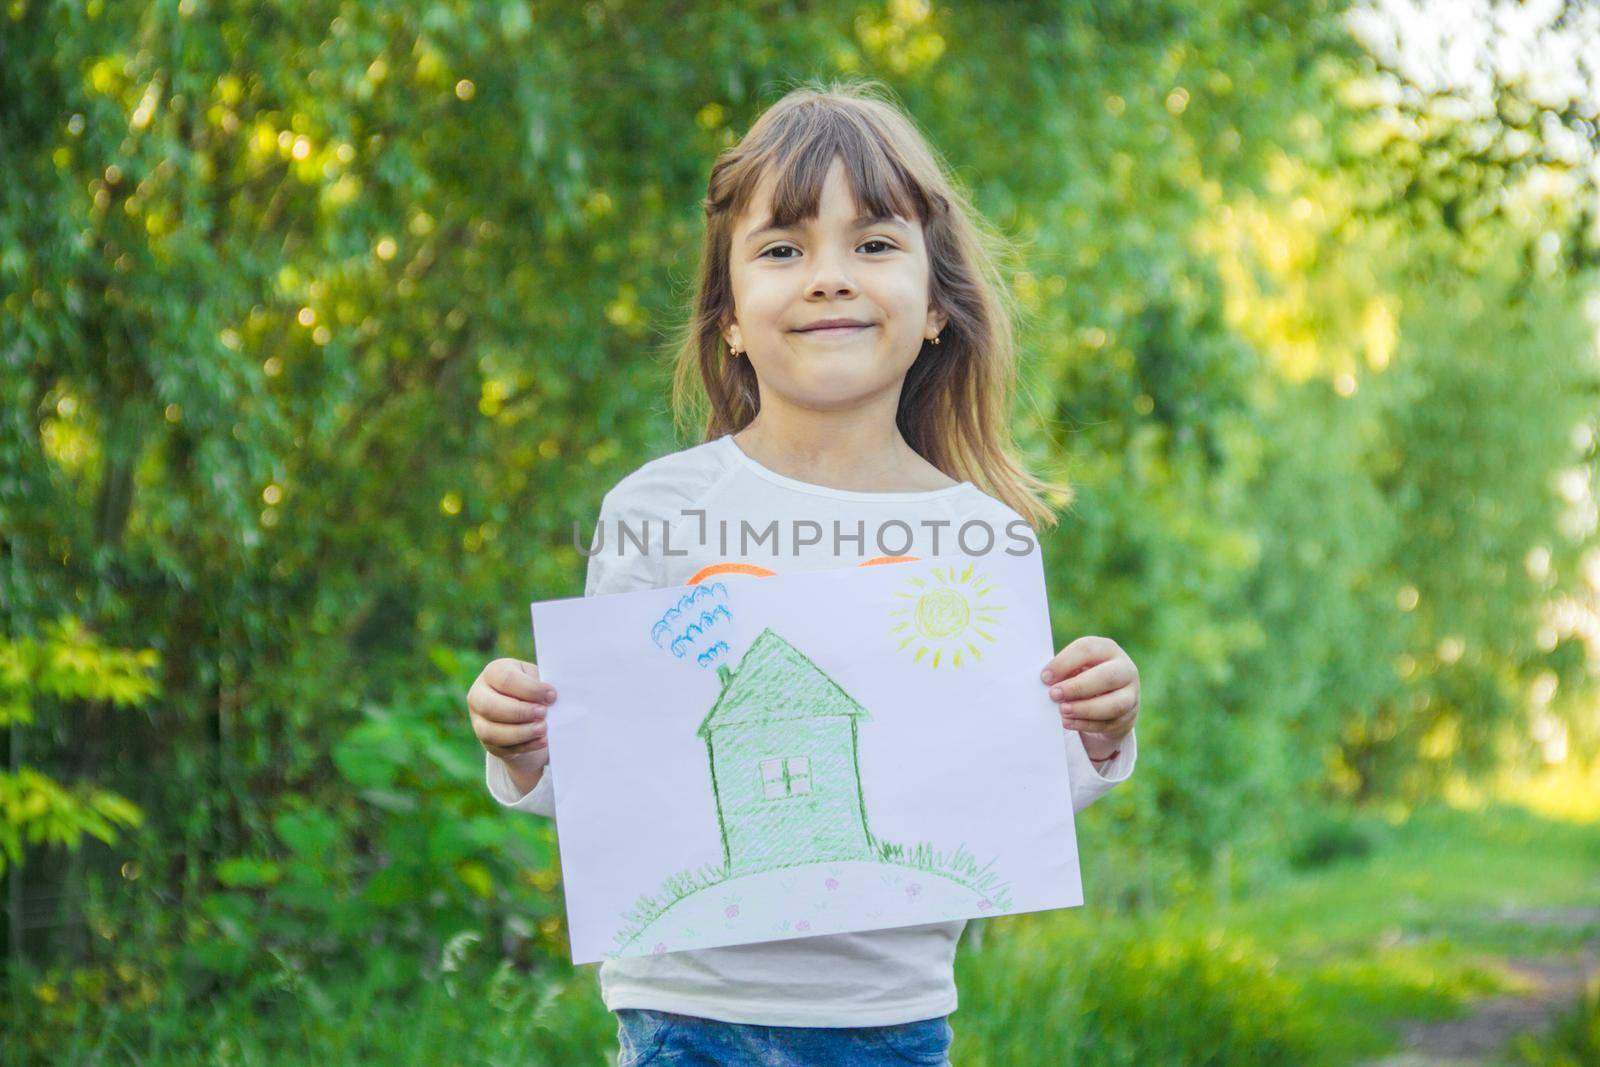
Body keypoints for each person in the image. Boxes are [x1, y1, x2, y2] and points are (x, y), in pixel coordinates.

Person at [466, 78, 1142, 1067]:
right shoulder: (659, 513)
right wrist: (522, 741)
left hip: (888, 1017)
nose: (828, 276)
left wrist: (1097, 729)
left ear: (935, 310)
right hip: (682, 1012)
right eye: (782, 249)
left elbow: (993, 790)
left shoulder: (977, 536)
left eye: (872, 244)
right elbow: (607, 770)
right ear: (730, 317)